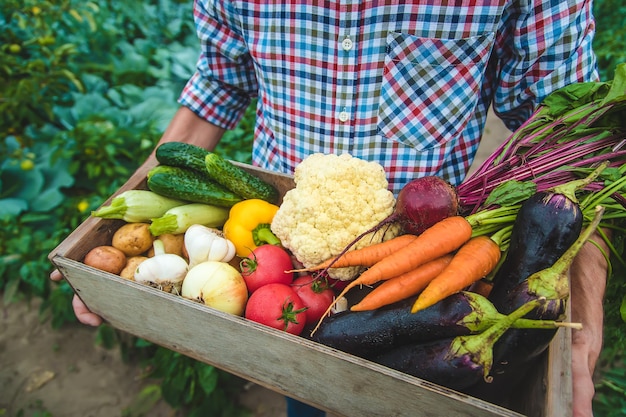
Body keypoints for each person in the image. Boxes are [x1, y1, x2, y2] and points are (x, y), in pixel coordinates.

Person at [51, 0, 607, 416]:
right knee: (312, 396)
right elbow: (219, 80)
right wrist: (106, 228)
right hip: (276, 262)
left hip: (430, 266)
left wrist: (583, 323)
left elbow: (568, 139)